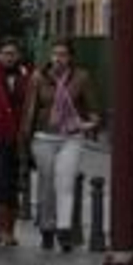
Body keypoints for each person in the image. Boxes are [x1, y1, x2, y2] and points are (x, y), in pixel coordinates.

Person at [20, 39, 98, 251]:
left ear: (70, 57)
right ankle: (47, 227)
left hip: (70, 138)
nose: (58, 58)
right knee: (47, 184)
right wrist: (25, 139)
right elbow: (30, 110)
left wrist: (90, 122)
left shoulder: (81, 77)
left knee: (65, 181)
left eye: (63, 54)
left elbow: (92, 108)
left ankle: (63, 230)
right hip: (43, 137)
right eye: (55, 54)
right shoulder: (39, 77)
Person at [0, 38, 33, 247]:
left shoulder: (26, 77)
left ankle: (9, 230)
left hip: (18, 136)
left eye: (13, 53)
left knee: (12, 182)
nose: (9, 57)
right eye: (5, 53)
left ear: (18, 55)